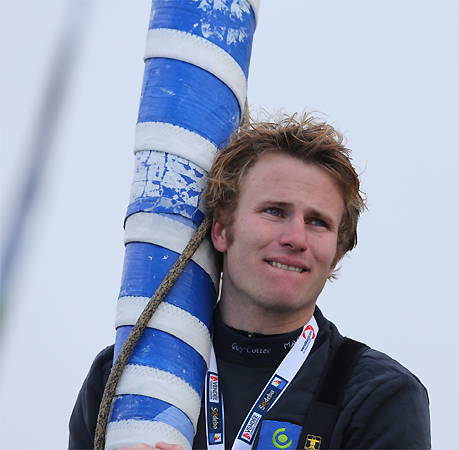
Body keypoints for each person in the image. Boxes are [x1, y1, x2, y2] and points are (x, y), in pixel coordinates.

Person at [69, 114, 431, 449]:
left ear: (335, 255)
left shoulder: (379, 395)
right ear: (222, 230)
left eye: (318, 222)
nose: (296, 238)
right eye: (274, 211)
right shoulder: (127, 372)